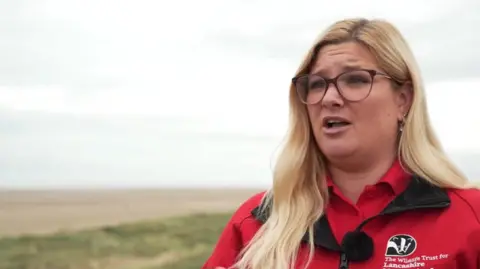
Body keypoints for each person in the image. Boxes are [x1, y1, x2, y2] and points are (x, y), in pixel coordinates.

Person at [201, 18, 480, 269]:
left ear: (403, 99)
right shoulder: (257, 223)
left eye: (355, 80)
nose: (329, 98)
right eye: (317, 84)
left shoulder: (469, 216)